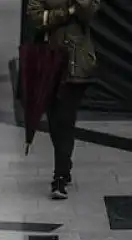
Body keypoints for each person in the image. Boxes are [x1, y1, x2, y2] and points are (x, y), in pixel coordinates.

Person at [26, 0, 101, 199]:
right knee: (54, 120)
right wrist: (67, 12)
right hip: (48, 62)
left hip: (75, 64)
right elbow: (37, 19)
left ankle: (59, 176)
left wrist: (74, 7)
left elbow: (89, 13)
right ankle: (64, 164)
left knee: (65, 119)